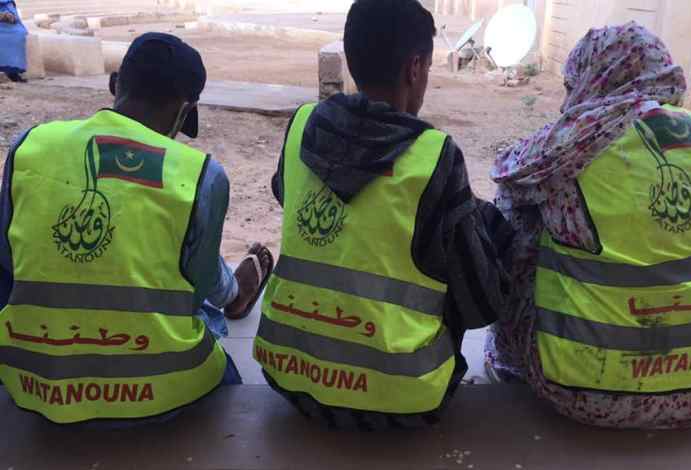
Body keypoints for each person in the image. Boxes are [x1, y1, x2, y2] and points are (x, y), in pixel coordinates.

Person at [256, 0, 514, 430]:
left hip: (289, 377)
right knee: (479, 225)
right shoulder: (435, 156)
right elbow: (480, 304)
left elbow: (288, 195)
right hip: (402, 398)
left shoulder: (302, 127)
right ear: (414, 68)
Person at [487, 22, 691, 429]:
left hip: (587, 389)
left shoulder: (578, 137)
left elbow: (506, 173)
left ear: (594, 74)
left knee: (512, 214)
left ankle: (510, 359)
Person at [0, 33, 271, 425]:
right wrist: (229, 291)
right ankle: (238, 292)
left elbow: (8, 259)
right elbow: (199, 287)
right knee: (223, 370)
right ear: (185, 110)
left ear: (115, 84)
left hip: (35, 382)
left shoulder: (28, 145)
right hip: (162, 393)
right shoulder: (200, 175)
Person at [0, 0, 27, 82]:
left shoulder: (9, 2)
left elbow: (14, 15)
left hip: (9, 24)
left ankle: (13, 71)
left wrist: (10, 16)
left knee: (19, 33)